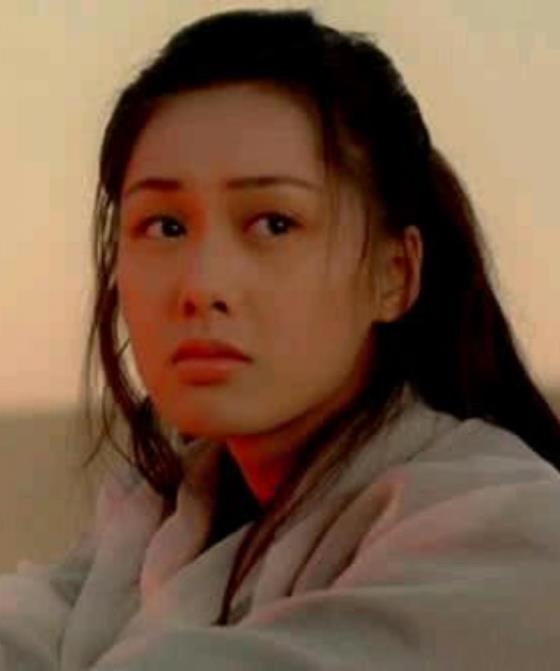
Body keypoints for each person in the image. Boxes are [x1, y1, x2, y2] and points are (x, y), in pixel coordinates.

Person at [1, 7, 560, 669]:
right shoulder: (153, 521)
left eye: (273, 223)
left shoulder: (511, 534)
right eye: (165, 226)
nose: (202, 285)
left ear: (394, 274)